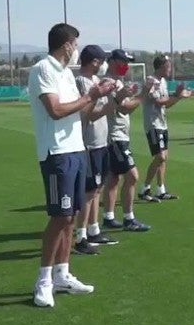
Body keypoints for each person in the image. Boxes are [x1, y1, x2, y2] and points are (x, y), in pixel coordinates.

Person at [27, 23, 118, 308]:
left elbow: (82, 112)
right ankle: (43, 281)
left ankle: (62, 274)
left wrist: (99, 95)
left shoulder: (67, 74)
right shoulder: (43, 69)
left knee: (71, 215)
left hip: (76, 150)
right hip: (57, 153)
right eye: (75, 43)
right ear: (67, 44)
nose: (77, 48)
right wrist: (90, 96)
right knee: (60, 217)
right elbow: (54, 110)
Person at [72, 44, 119, 256]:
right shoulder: (81, 81)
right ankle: (80, 236)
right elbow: (86, 114)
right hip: (89, 142)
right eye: (102, 61)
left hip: (100, 141)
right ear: (95, 62)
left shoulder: (94, 81)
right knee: (89, 192)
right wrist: (106, 109)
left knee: (97, 189)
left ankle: (93, 229)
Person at [102, 50, 153, 232]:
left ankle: (108, 216)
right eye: (123, 61)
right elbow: (124, 109)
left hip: (118, 135)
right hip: (115, 136)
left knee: (113, 178)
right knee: (132, 176)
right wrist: (143, 95)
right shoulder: (109, 83)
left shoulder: (116, 82)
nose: (126, 65)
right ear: (113, 61)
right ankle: (128, 218)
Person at [140, 54, 179, 202]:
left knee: (164, 158)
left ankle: (161, 190)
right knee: (160, 156)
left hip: (163, 123)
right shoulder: (151, 81)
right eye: (168, 66)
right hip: (153, 124)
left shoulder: (163, 82)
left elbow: (167, 103)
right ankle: (145, 189)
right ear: (162, 67)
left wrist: (178, 97)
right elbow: (159, 102)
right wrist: (177, 95)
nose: (170, 69)